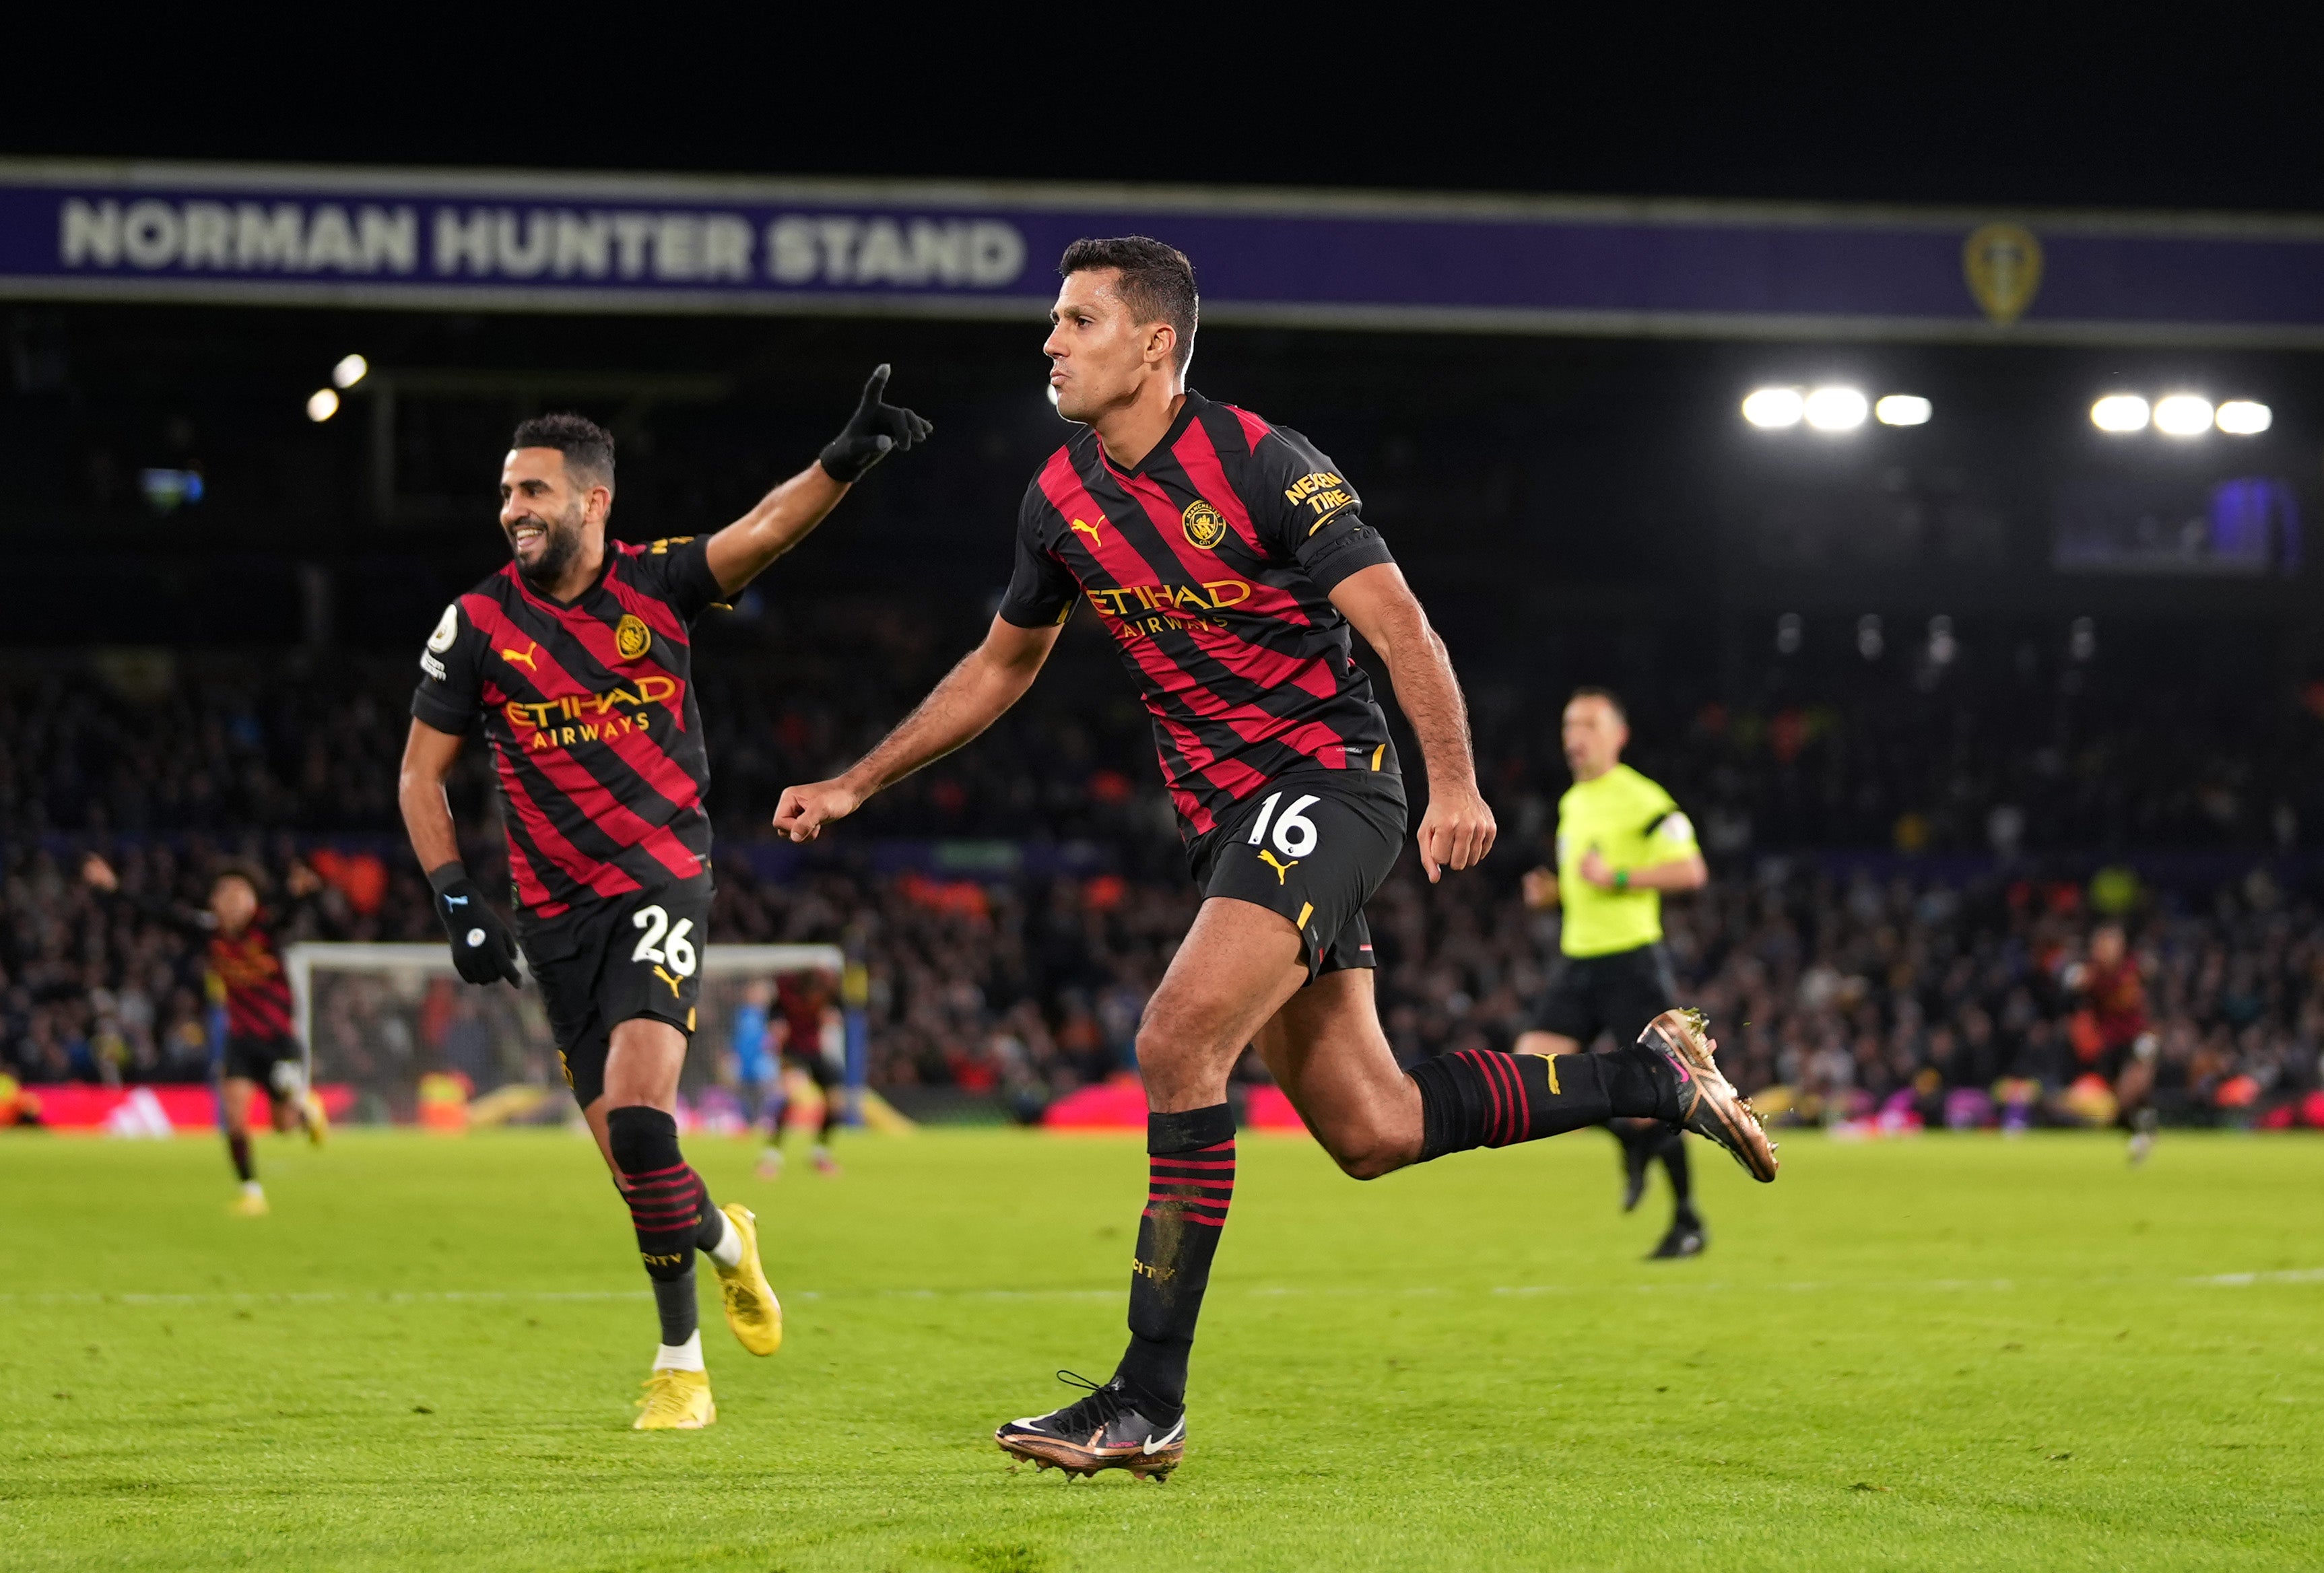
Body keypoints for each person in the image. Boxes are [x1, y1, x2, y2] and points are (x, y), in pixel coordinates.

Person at [772, 238, 1776, 1480]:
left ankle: (1147, 1398)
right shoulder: (1059, 501)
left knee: (1176, 1037)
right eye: (1053, 322)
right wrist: (857, 779)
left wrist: (1452, 779)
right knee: (1371, 1124)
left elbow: (1398, 619)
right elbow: (999, 667)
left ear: (1154, 345)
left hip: (1330, 786)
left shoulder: (1262, 463)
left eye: (1078, 320)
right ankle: (1649, 1081)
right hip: (1227, 825)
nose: (1050, 343)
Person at [396, 375, 930, 1429]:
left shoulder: (659, 585)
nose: (515, 511)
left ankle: (679, 1364)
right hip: (550, 923)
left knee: (644, 1125)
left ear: (594, 502)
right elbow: (420, 776)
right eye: (508, 494)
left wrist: (844, 457)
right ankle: (731, 1243)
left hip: (657, 883)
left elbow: (768, 529)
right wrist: (456, 899)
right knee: (636, 1171)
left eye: (535, 492)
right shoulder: (474, 625)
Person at [1514, 688, 1713, 1259]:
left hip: (1631, 961)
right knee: (1531, 1074)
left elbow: (1691, 871)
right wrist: (1554, 895)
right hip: (1578, 960)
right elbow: (1586, 883)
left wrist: (1619, 878)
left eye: (1589, 725)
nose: (1575, 736)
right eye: (1568, 725)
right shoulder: (1575, 801)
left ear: (1617, 736)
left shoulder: (1641, 798)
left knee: (1662, 1091)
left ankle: (1687, 1221)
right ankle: (1628, 1136)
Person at [81, 853, 327, 1213]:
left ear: (253, 902)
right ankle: (252, 1192)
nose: (232, 901)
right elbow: (159, 912)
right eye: (224, 894)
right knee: (234, 1114)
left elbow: (292, 909)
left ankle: (306, 1113)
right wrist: (114, 889)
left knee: (283, 1125)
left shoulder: (267, 927)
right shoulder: (210, 933)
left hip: (279, 1040)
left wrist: (304, 892)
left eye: (240, 894)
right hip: (241, 1040)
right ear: (214, 903)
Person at [2064, 921, 2159, 1163]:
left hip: (2138, 1039)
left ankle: (2143, 1129)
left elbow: (2154, 992)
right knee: (2119, 1103)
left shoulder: (2133, 968)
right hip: (2111, 1045)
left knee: (2132, 1087)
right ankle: (2144, 1124)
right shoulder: (2093, 975)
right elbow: (2070, 989)